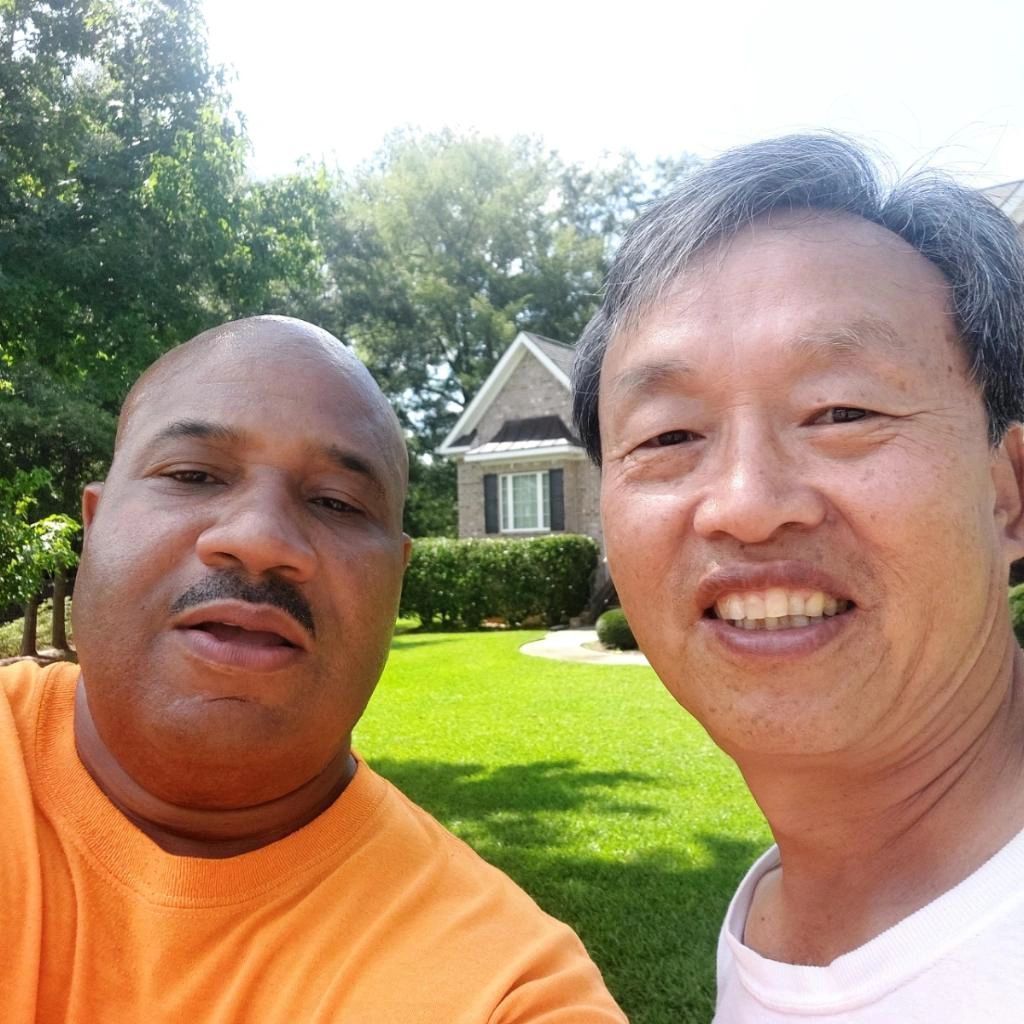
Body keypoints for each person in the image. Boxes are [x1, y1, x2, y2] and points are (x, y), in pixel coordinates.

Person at [1, 315, 626, 1023]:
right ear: (95, 521)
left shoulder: (507, 991)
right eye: (193, 474)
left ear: (397, 578)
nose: (261, 540)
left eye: (335, 502)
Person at [572, 135, 1024, 1022]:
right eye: (669, 436)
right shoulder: (779, 914)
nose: (744, 503)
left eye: (842, 412)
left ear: (1009, 497)